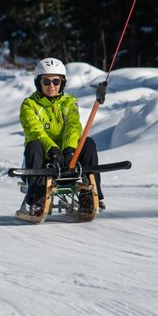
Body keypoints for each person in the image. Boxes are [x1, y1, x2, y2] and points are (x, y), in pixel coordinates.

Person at [17, 57, 104, 218]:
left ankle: (90, 195)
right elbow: (35, 131)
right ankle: (36, 198)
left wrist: (69, 149)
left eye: (56, 81)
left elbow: (73, 127)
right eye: (46, 81)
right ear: (38, 83)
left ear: (62, 83)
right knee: (33, 144)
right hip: (41, 159)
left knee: (88, 143)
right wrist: (53, 150)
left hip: (68, 159)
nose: (51, 86)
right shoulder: (29, 104)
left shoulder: (70, 102)